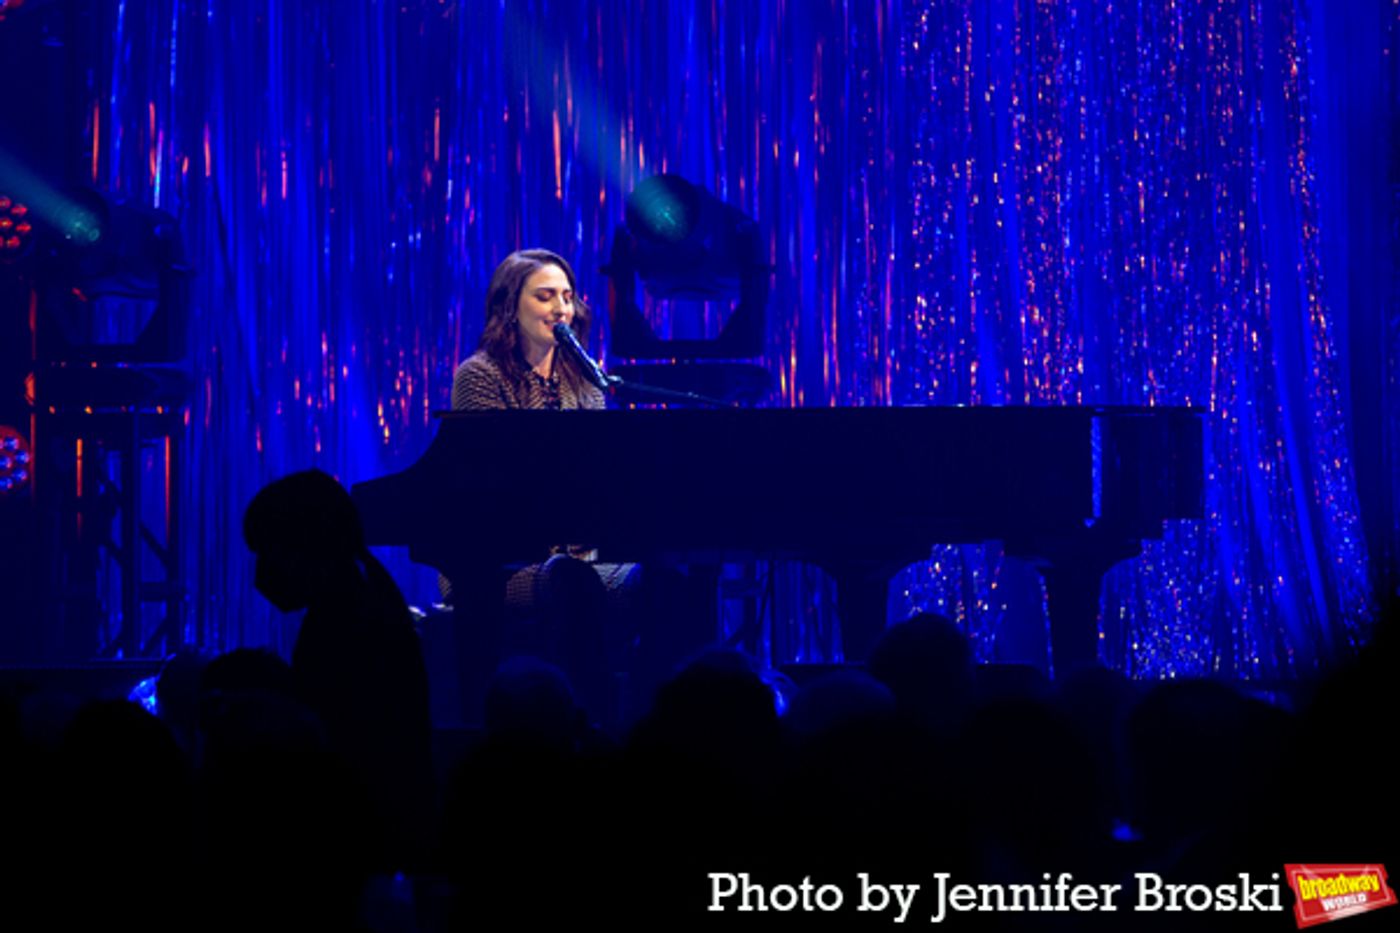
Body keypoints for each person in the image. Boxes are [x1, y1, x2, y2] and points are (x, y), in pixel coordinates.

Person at [451, 248, 605, 412]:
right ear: (510, 306)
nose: (561, 310)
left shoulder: (582, 377)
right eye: (544, 297)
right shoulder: (480, 375)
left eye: (567, 299)